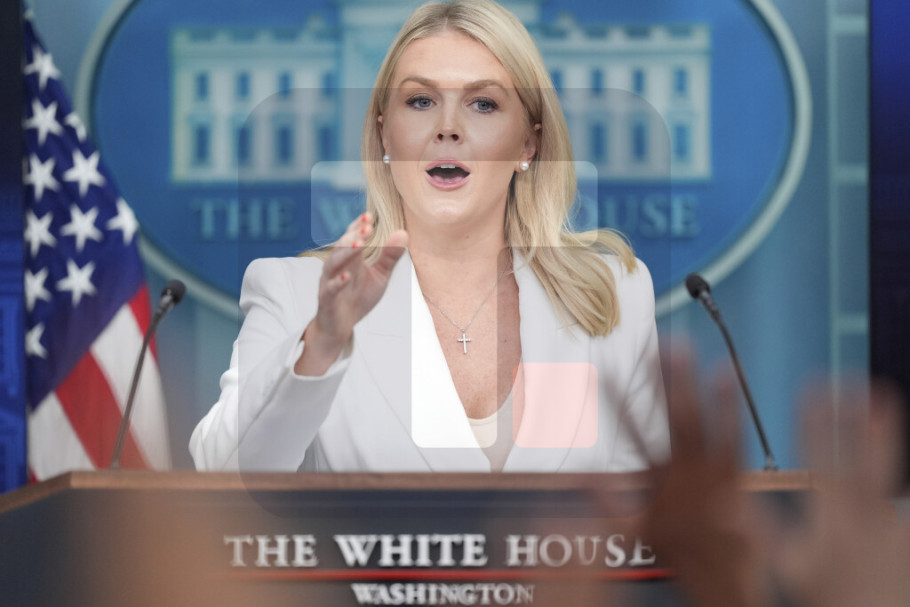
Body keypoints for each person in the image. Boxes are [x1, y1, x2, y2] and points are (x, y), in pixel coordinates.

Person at [189, 0, 669, 472]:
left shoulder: (612, 295)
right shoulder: (297, 294)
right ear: (385, 137)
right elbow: (223, 476)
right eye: (421, 101)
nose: (448, 128)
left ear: (528, 143)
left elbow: (650, 508)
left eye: (483, 103)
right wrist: (319, 344)